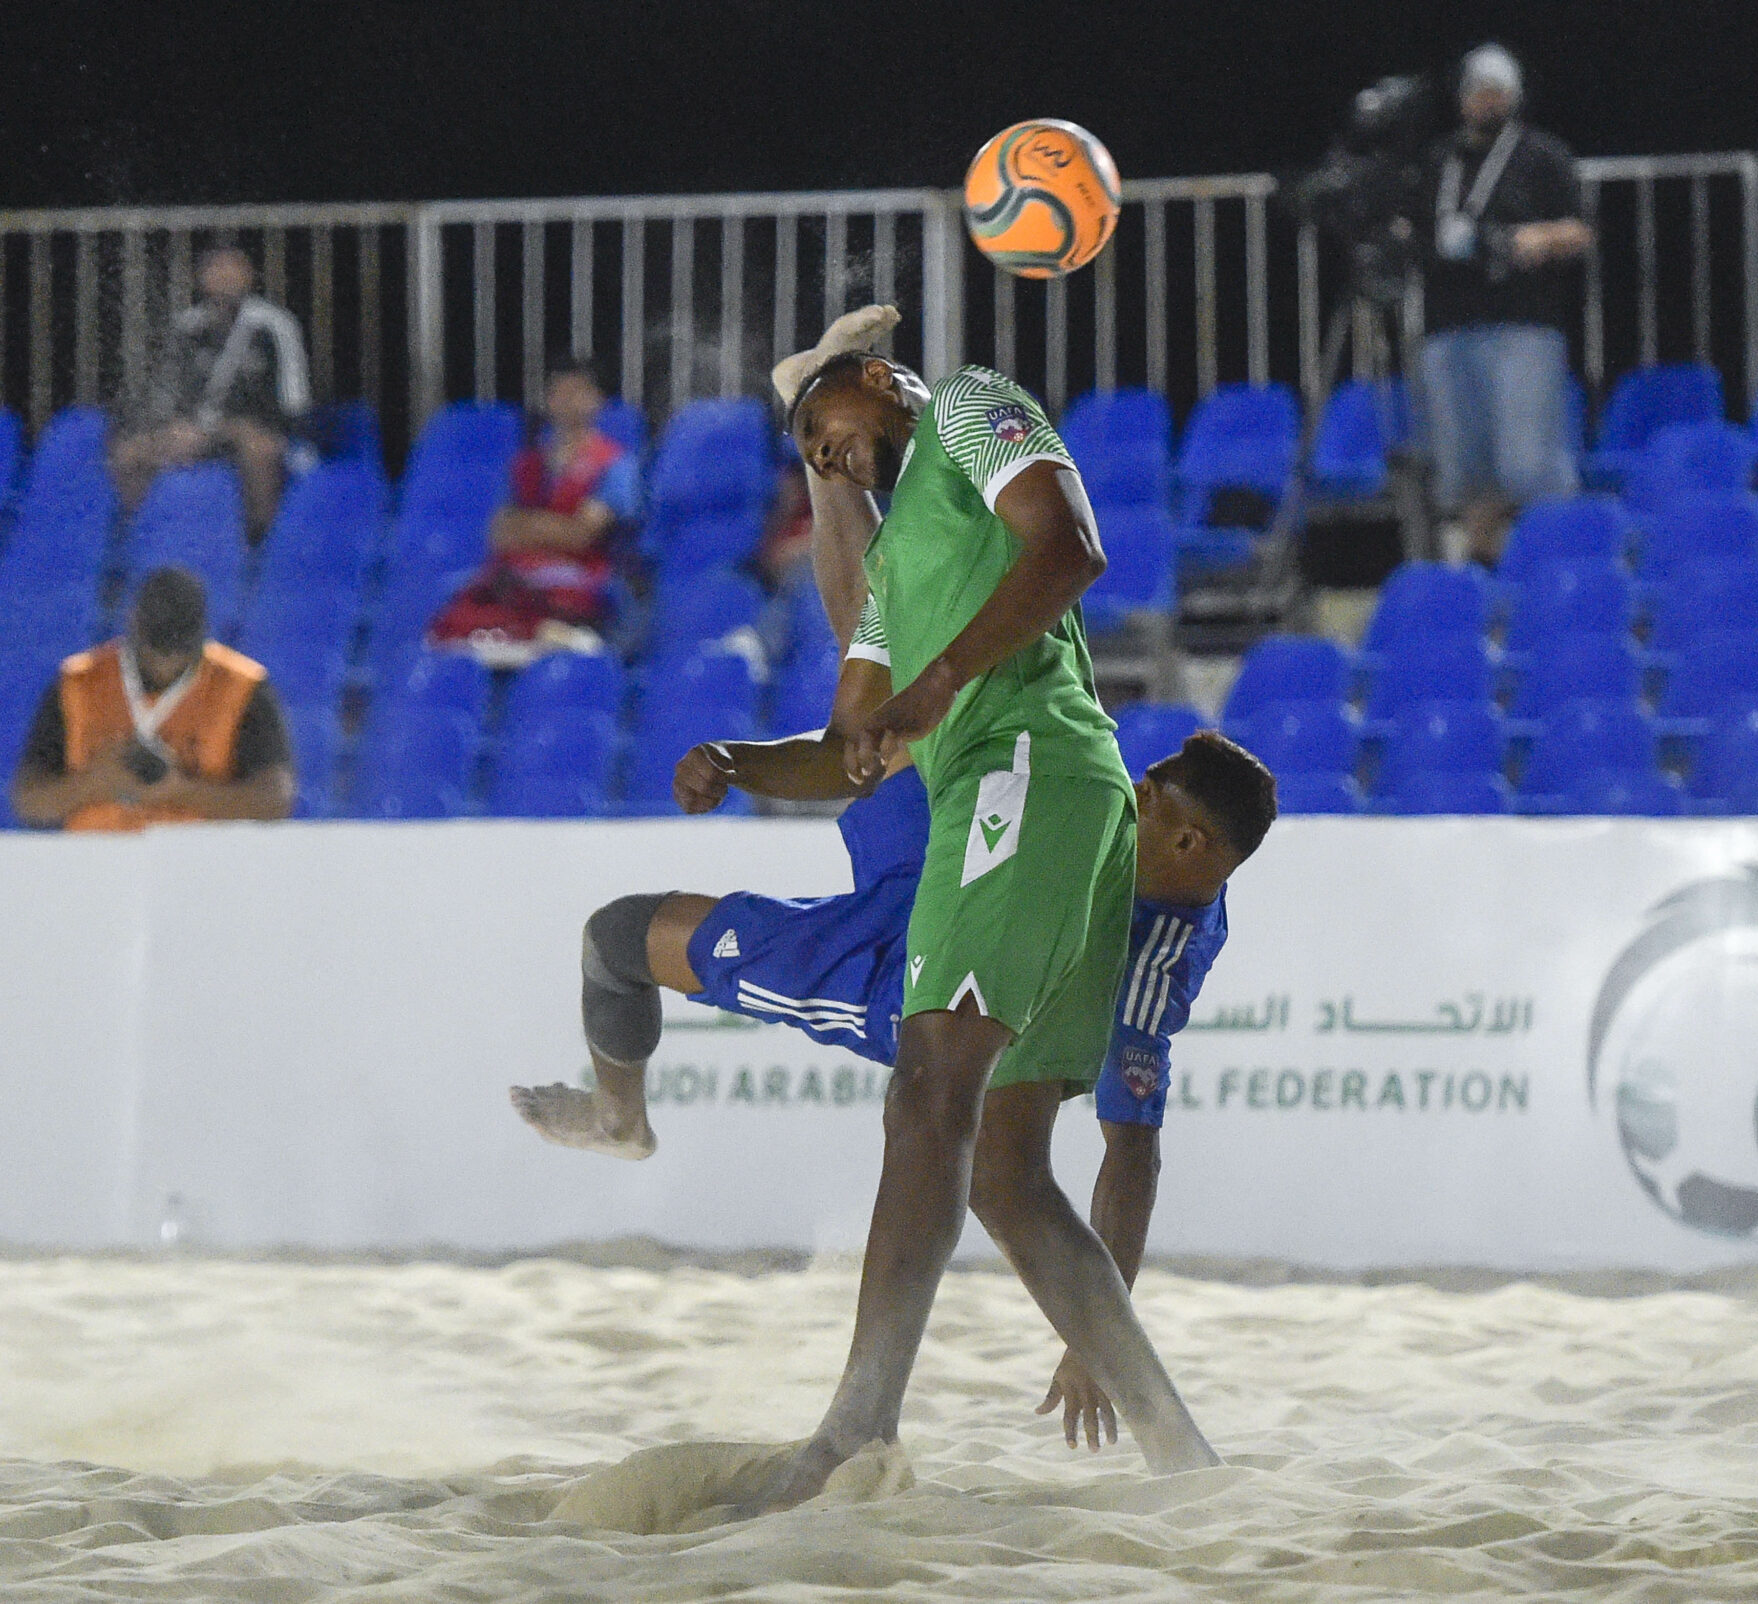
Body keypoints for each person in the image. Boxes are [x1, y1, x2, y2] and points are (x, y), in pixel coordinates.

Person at [510, 706, 1271, 1451]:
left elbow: (1132, 1154)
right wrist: (739, 762)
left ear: (1187, 840)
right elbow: (868, 736)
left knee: (617, 938)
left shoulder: (1149, 959)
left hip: (909, 971)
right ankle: (619, 1117)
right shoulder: (1103, 820)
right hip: (959, 861)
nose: (1128, 797)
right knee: (898, 729)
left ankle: (1141, 1436)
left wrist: (1089, 1344)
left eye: (1146, 796)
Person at [1416, 42, 1592, 566]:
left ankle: (1560, 566)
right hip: (1448, 326)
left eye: (1497, 91)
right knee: (1466, 468)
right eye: (1478, 91)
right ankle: (1482, 568)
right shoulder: (1439, 161)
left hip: (1522, 325)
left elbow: (1581, 230)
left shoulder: (1543, 155)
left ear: (1514, 97)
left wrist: (1529, 239)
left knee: (1528, 461)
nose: (1486, 100)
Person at [11, 566, 294, 831]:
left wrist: (182, 791)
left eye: (179, 653)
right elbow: (29, 802)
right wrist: (94, 783)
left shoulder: (242, 686)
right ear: (131, 622)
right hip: (96, 856)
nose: (164, 666)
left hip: (199, 859)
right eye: (155, 651)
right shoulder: (79, 682)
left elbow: (275, 801)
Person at [427, 360, 642, 664]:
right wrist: (558, 527)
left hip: (580, 584)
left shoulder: (616, 465)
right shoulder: (527, 464)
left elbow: (581, 535)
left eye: (577, 392)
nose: (566, 400)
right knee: (452, 625)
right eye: (558, 392)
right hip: (517, 581)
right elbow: (500, 533)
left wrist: (529, 527)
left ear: (597, 400)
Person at [111, 246, 311, 536]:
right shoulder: (188, 326)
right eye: (215, 270)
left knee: (260, 449)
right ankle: (143, 536)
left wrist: (230, 427)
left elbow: (294, 402)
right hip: (197, 431)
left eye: (233, 269)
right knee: (129, 453)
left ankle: (260, 542)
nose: (224, 277)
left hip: (250, 429)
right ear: (200, 278)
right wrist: (173, 426)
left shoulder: (274, 324)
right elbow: (166, 393)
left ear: (249, 276)